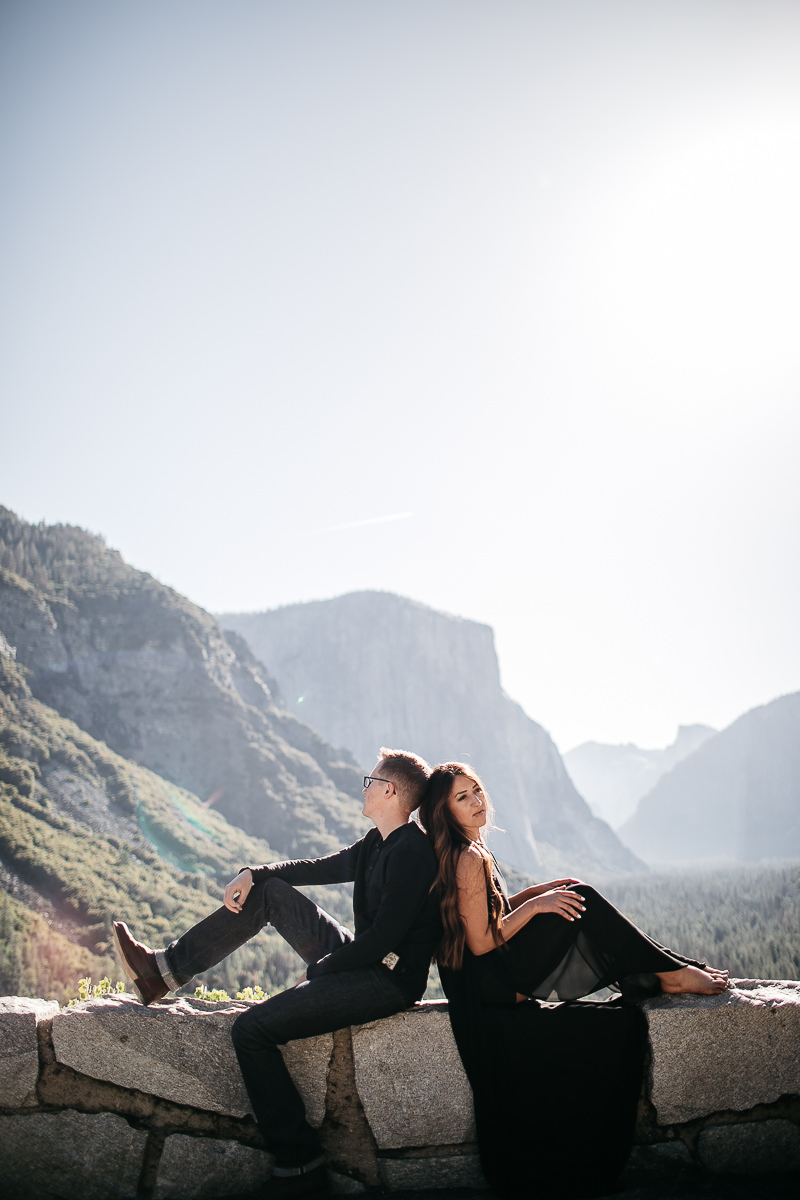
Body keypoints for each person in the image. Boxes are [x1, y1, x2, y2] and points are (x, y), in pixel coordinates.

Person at [112, 748, 439, 1199]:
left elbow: (383, 941)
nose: (363, 787)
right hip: (361, 958)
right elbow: (317, 868)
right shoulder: (376, 842)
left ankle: (300, 1164)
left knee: (251, 1030)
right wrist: (255, 872)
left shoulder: (414, 852)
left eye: (370, 780)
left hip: (387, 979)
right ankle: (161, 972)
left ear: (390, 790)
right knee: (272, 892)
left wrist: (321, 970)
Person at [418, 761, 729, 1197]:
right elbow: (482, 942)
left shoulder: (469, 849)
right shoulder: (466, 856)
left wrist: (535, 893)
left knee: (575, 891)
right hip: (489, 982)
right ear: (443, 811)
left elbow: (492, 909)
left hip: (486, 979)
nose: (476, 801)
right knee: (580, 899)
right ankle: (671, 974)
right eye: (462, 797)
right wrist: (539, 907)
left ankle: (670, 970)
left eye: (477, 790)